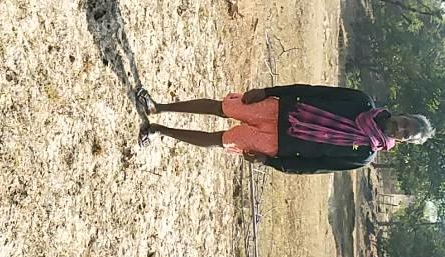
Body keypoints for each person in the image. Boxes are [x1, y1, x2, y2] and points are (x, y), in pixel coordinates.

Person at [136, 84, 434, 174]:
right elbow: (313, 90)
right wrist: (269, 91)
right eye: (406, 123)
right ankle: (158, 107)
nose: (401, 128)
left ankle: (159, 130)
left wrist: (271, 162)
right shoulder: (361, 100)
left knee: (220, 140)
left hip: (279, 144)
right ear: (404, 114)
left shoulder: (363, 155)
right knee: (221, 108)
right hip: (280, 109)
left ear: (404, 141)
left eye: (406, 134)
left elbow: (316, 166)